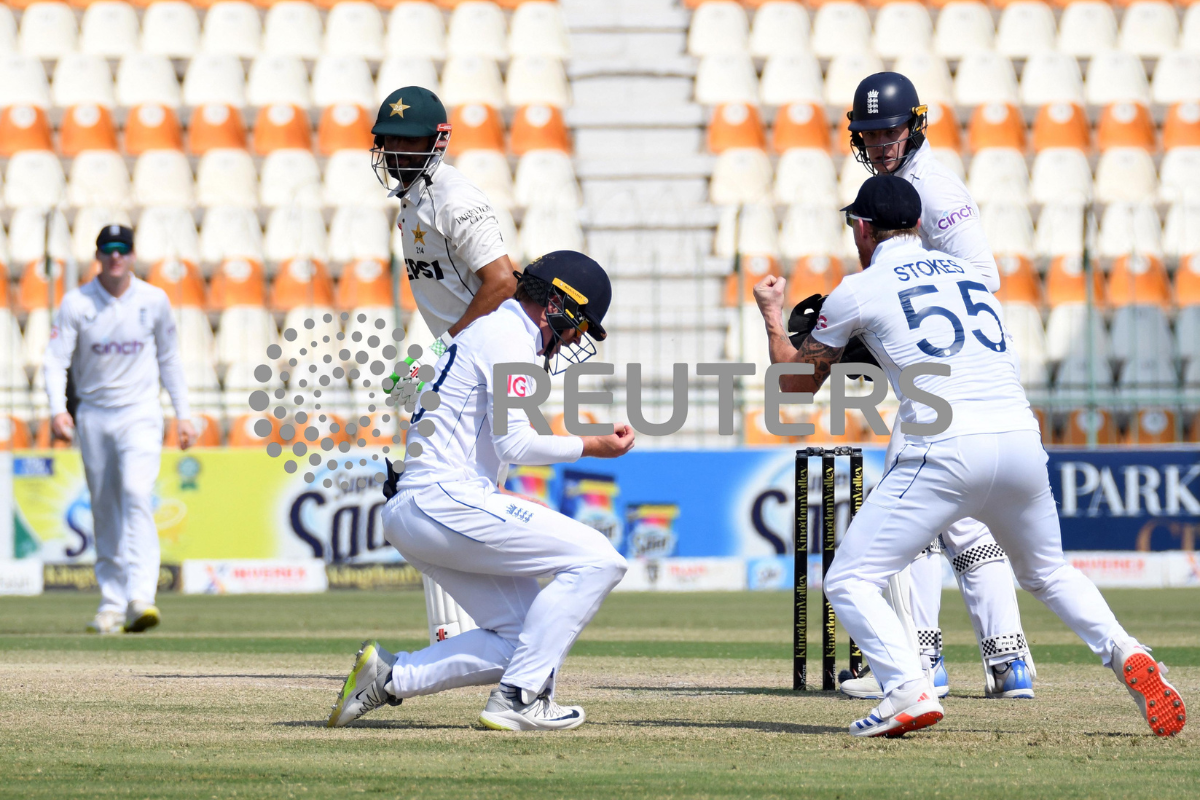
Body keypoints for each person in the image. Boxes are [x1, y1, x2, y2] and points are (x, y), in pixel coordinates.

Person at [753, 175, 1186, 738]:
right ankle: (1126, 652)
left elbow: (792, 385)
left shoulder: (857, 288)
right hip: (1020, 440)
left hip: (945, 447)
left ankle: (908, 688)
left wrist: (771, 309)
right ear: (915, 225)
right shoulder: (970, 276)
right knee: (1049, 572)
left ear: (862, 228)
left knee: (850, 580)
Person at [327, 251, 635, 732]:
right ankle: (520, 698)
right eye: (578, 323)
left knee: (522, 640)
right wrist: (593, 445)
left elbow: (480, 444)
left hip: (427, 505)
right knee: (600, 560)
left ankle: (389, 678)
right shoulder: (509, 336)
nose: (574, 337)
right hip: (440, 500)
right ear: (555, 303)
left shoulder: (494, 331)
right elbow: (514, 441)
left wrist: (499, 499)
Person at [837, 71, 1035, 699]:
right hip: (942, 372)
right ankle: (1009, 664)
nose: (879, 142)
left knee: (911, 515)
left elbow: (983, 275)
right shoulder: (894, 186)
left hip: (951, 371)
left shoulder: (933, 188)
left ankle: (922, 664)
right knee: (966, 522)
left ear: (914, 125)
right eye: (868, 133)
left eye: (890, 130)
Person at [371, 85, 519, 644]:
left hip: (480, 367)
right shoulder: (413, 203)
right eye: (390, 142)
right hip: (461, 362)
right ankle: (469, 634)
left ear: (438, 142)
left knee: (434, 496)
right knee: (438, 496)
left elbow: (502, 281)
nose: (398, 153)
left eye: (411, 142)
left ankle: (470, 635)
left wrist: (444, 353)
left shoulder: (456, 197)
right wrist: (428, 360)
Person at [44, 224, 196, 635]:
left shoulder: (154, 300)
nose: (116, 256)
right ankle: (111, 602)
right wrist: (58, 410)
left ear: (132, 255)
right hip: (94, 414)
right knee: (104, 504)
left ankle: (140, 598)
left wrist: (184, 414)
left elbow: (170, 359)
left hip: (141, 413)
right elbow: (55, 360)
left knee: (134, 493)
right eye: (108, 249)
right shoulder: (78, 302)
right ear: (98, 255)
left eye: (123, 249)